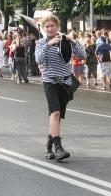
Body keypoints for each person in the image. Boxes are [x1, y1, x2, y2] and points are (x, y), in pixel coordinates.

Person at [35, 15, 86, 161]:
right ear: (44, 29)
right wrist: (49, 44)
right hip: (50, 82)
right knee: (55, 112)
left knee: (58, 117)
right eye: (47, 27)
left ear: (57, 27)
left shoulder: (65, 41)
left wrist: (73, 41)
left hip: (65, 82)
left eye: (52, 26)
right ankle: (58, 147)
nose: (50, 29)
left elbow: (82, 55)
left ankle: (48, 145)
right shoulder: (41, 43)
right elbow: (38, 60)